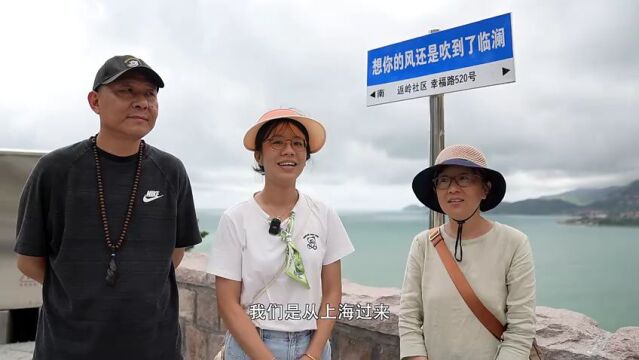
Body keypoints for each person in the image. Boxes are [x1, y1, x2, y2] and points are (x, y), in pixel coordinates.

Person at [14, 55, 201, 359]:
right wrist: (80, 289)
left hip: (154, 346)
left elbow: (173, 254)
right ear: (95, 101)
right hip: (68, 347)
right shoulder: (55, 170)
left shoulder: (171, 171)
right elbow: (28, 260)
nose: (142, 102)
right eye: (126, 91)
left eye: (150, 94)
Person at [208, 108, 354, 360]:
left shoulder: (323, 214)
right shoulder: (236, 218)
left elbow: (332, 292)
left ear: (306, 155)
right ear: (259, 154)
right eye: (277, 142)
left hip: (312, 345)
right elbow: (228, 304)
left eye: (298, 143)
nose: (289, 150)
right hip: (251, 347)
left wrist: (314, 353)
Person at [399, 144, 536, 360]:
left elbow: (521, 329)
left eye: (464, 178)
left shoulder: (514, 243)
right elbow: (409, 316)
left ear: (485, 189)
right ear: (436, 190)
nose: (452, 188)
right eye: (444, 180)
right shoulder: (422, 244)